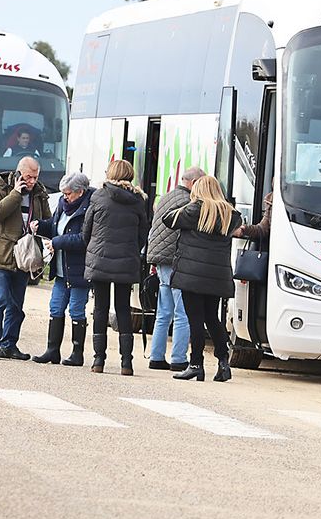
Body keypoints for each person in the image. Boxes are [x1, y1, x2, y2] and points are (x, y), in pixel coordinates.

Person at [161, 174, 243, 382]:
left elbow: (168, 219)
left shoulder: (194, 210)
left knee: (195, 320)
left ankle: (196, 364)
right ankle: (223, 363)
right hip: (216, 276)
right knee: (212, 318)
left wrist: (192, 201)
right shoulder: (230, 214)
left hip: (192, 275)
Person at [83, 159, 149, 375]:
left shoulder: (98, 196)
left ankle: (98, 360)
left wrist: (93, 247)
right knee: (123, 309)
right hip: (126, 261)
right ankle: (126, 363)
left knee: (100, 309)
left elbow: (87, 230)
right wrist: (130, 250)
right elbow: (142, 234)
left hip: (100, 259)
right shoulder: (138, 200)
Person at [0, 156, 52, 360]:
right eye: (28, 177)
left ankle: (10, 343)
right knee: (0, 300)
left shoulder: (39, 193)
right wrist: (15, 193)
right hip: (1, 253)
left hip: (24, 257)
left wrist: (40, 225)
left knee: (16, 305)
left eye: (35, 177)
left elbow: (48, 220)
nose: (31, 181)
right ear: (19, 173)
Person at [145, 167, 204, 371]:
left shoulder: (167, 197)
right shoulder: (189, 202)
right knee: (183, 312)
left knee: (163, 312)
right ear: (194, 182)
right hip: (176, 260)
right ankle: (179, 358)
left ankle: (156, 356)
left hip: (160, 260)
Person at [32, 172, 90, 366]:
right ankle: (52, 350)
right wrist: (40, 226)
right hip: (60, 269)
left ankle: (77, 352)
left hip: (79, 269)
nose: (65, 197)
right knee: (55, 307)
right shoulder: (62, 206)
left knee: (76, 309)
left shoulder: (88, 209)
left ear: (80, 192)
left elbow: (84, 239)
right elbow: (54, 227)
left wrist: (57, 242)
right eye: (64, 193)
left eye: (68, 194)